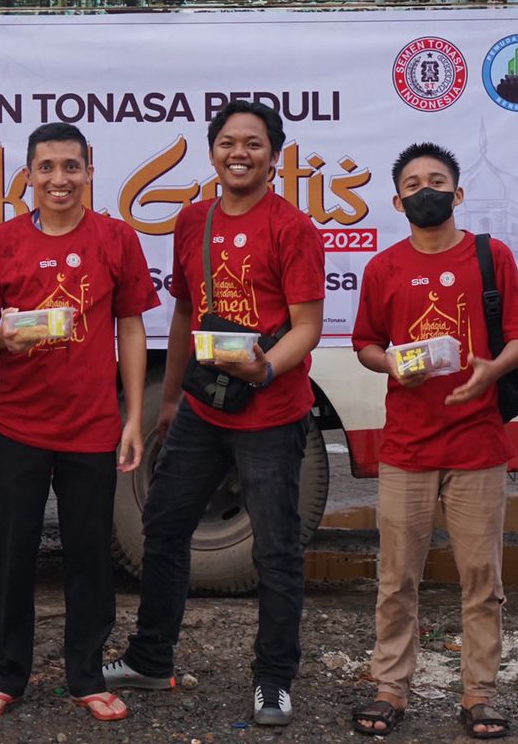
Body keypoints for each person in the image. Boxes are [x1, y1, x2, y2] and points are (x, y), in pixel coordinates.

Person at [104, 100, 325, 728]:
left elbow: (307, 326)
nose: (239, 153)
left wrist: (266, 369)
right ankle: (150, 658)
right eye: (228, 142)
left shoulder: (293, 228)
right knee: (164, 527)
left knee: (276, 550)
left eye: (253, 143)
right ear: (211, 152)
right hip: (203, 408)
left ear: (274, 157)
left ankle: (274, 680)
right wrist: (172, 397)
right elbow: (184, 313)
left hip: (272, 412)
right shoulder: (193, 220)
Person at [0, 123, 158, 724]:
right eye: (46, 167)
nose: (59, 179)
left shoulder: (116, 238)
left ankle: (85, 675)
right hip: (17, 424)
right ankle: (7, 675)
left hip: (91, 426)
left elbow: (131, 327)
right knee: (13, 553)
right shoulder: (0, 242)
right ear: (28, 176)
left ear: (89, 172)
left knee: (89, 557)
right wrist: (4, 337)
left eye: (71, 166)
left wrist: (132, 418)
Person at [348, 143, 518, 740]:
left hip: (477, 444)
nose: (424, 191)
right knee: (396, 578)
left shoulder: (491, 256)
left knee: (481, 579)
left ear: (457, 193)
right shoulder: (384, 267)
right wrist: (389, 363)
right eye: (412, 184)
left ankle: (479, 694)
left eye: (436, 181)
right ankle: (389, 688)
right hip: (406, 446)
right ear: (397, 200)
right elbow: (365, 343)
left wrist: (492, 370)